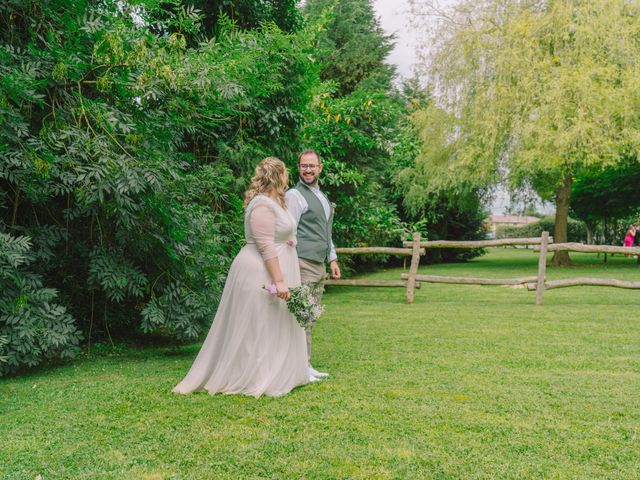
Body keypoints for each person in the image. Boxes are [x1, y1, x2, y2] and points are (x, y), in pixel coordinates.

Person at [173, 157, 309, 397]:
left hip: (275, 266)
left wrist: (288, 242)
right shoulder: (261, 205)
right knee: (256, 324)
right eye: (285, 173)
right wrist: (279, 282)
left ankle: (274, 370)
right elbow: (265, 246)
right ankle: (252, 375)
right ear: (279, 175)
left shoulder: (277, 201)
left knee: (271, 323)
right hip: (259, 271)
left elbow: (279, 234)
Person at [285, 149, 341, 379]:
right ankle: (300, 367)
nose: (307, 170)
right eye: (303, 166)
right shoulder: (294, 195)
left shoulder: (322, 197)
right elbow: (288, 230)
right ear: (298, 168)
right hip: (301, 260)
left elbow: (326, 233)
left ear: (320, 168)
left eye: (312, 166)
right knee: (302, 313)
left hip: (319, 263)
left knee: (310, 315)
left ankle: (304, 364)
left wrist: (333, 258)